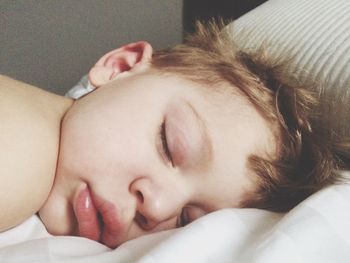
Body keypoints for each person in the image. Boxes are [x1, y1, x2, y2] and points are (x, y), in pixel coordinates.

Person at [0, 21, 349, 249]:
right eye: (168, 146)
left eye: (185, 220)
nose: (157, 208)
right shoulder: (24, 139)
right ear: (120, 67)